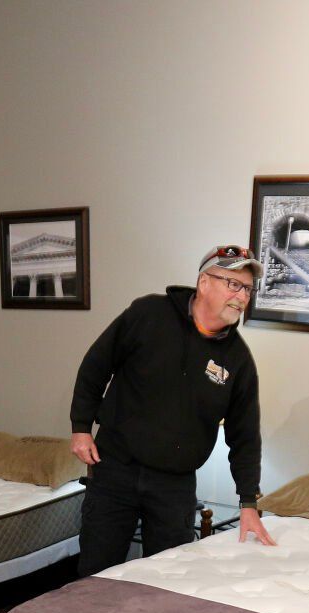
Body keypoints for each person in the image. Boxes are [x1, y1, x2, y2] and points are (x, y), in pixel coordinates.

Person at [69, 245, 276, 576]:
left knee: (169, 580)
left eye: (248, 288)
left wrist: (248, 502)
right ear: (204, 282)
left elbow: (246, 436)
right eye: (232, 284)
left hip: (174, 487)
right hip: (115, 471)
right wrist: (80, 427)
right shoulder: (148, 314)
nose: (241, 296)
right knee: (96, 572)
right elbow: (96, 365)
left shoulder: (237, 359)